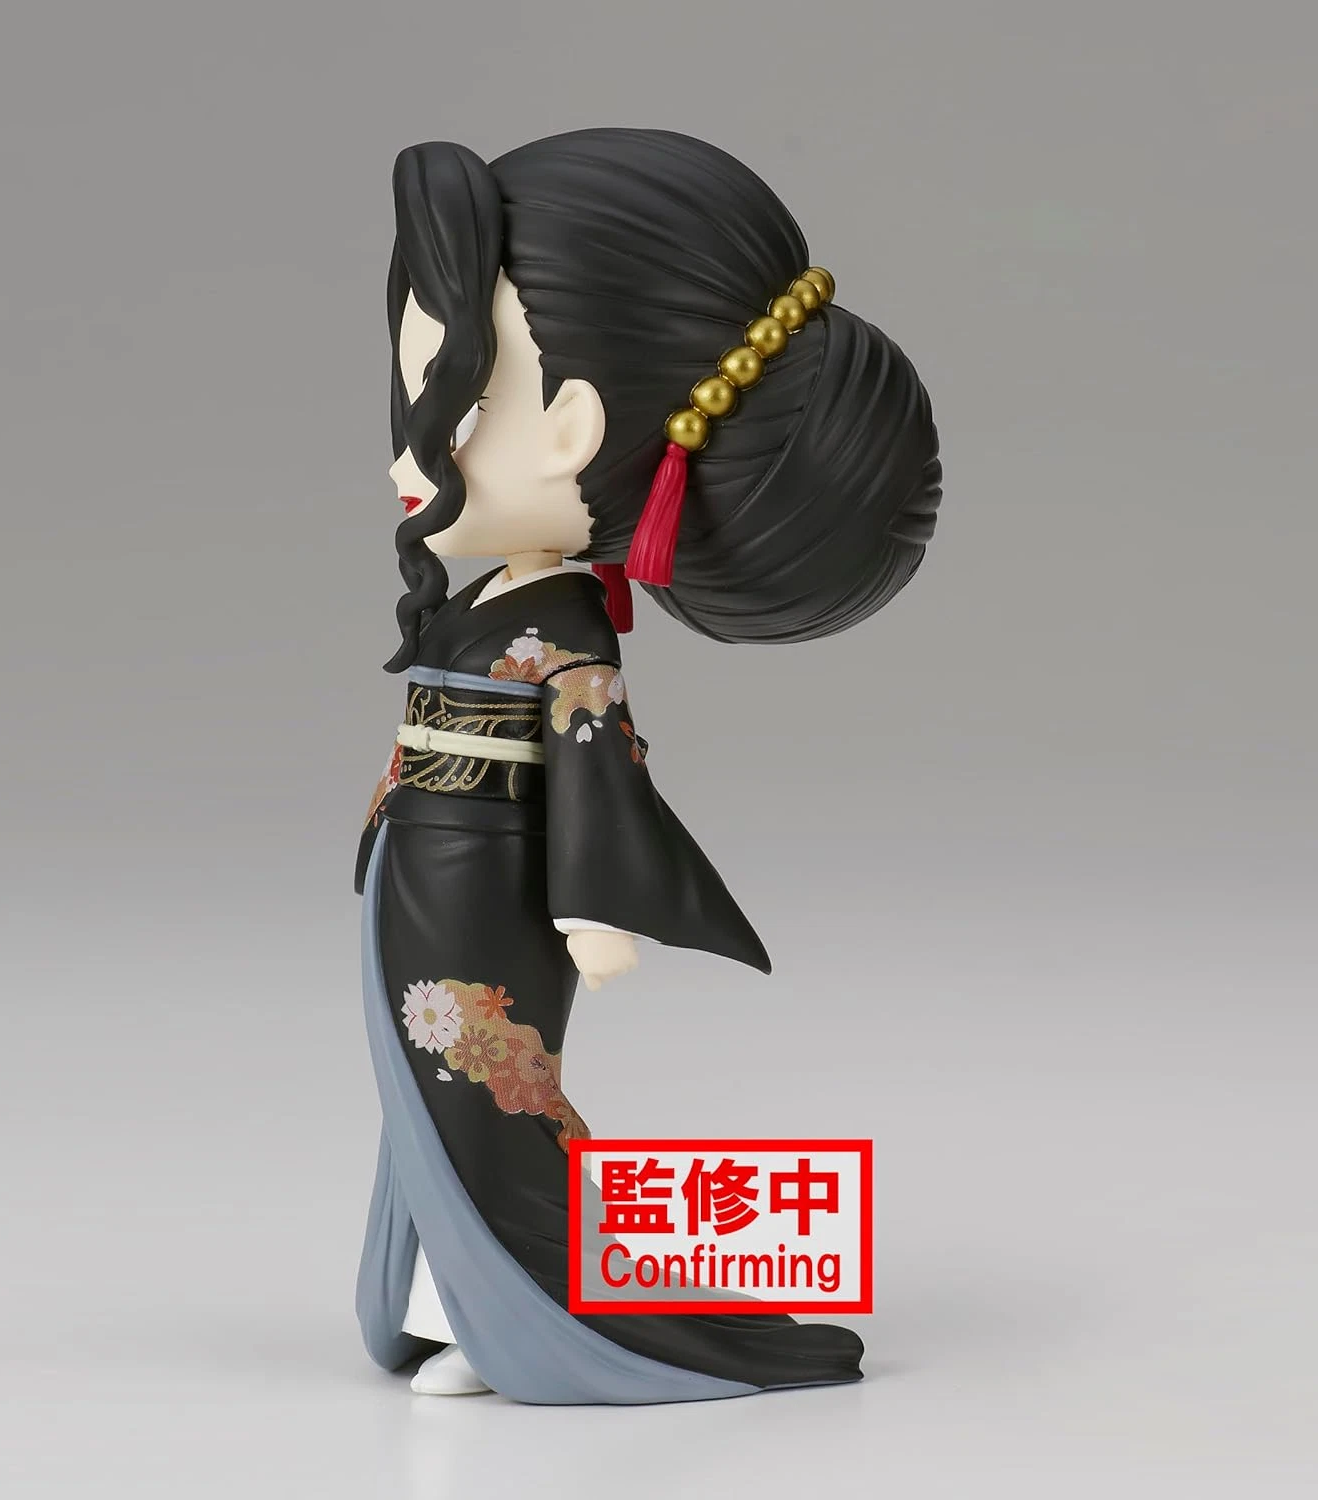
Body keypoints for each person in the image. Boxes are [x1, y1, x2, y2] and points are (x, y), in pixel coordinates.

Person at [354, 128, 942, 1403]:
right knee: (426, 1098)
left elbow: (594, 760)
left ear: (569, 429)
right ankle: (452, 1307)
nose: (406, 456)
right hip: (432, 870)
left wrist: (588, 907)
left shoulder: (567, 623)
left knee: (486, 1097)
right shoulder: (502, 599)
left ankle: (519, 1319)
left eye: (447, 407)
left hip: (492, 887)